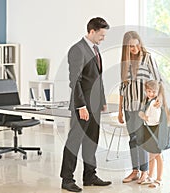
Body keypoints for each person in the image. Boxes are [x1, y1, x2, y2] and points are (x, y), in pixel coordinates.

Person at [60, 17, 111, 192]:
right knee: (74, 141)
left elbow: (98, 78)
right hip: (82, 105)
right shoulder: (77, 50)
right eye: (101, 35)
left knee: (92, 141)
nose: (103, 38)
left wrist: (102, 100)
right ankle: (67, 179)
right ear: (92, 31)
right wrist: (81, 106)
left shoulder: (95, 50)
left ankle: (90, 175)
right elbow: (75, 81)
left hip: (95, 105)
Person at [118, 31, 161, 184]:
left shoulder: (148, 57)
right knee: (132, 139)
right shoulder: (125, 62)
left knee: (142, 139)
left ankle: (145, 171)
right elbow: (122, 88)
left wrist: (159, 99)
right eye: (131, 46)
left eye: (137, 45)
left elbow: (158, 80)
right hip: (128, 107)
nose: (135, 48)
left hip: (144, 108)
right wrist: (120, 111)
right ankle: (135, 171)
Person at [138, 80, 170, 188]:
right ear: (146, 91)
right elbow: (142, 112)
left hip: (154, 131)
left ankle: (159, 179)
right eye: (149, 91)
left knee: (157, 155)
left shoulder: (155, 103)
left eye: (153, 91)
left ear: (157, 92)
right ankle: (150, 177)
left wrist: (145, 117)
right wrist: (143, 115)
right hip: (149, 130)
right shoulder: (148, 101)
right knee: (151, 154)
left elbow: (155, 119)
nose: (151, 93)